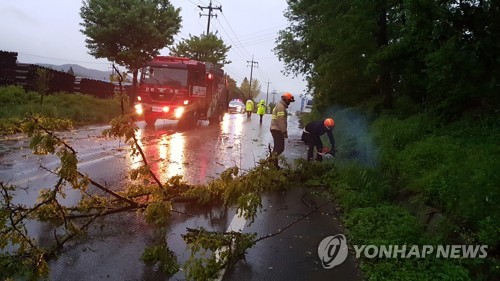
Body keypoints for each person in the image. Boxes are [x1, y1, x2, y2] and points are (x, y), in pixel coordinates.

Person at [269, 92, 295, 169]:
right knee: (280, 148)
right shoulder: (281, 107)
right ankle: (270, 162)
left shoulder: (280, 106)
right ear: (286, 100)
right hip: (277, 130)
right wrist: (284, 131)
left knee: (277, 148)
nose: (289, 103)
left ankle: (273, 165)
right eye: (289, 101)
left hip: (275, 129)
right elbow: (281, 120)